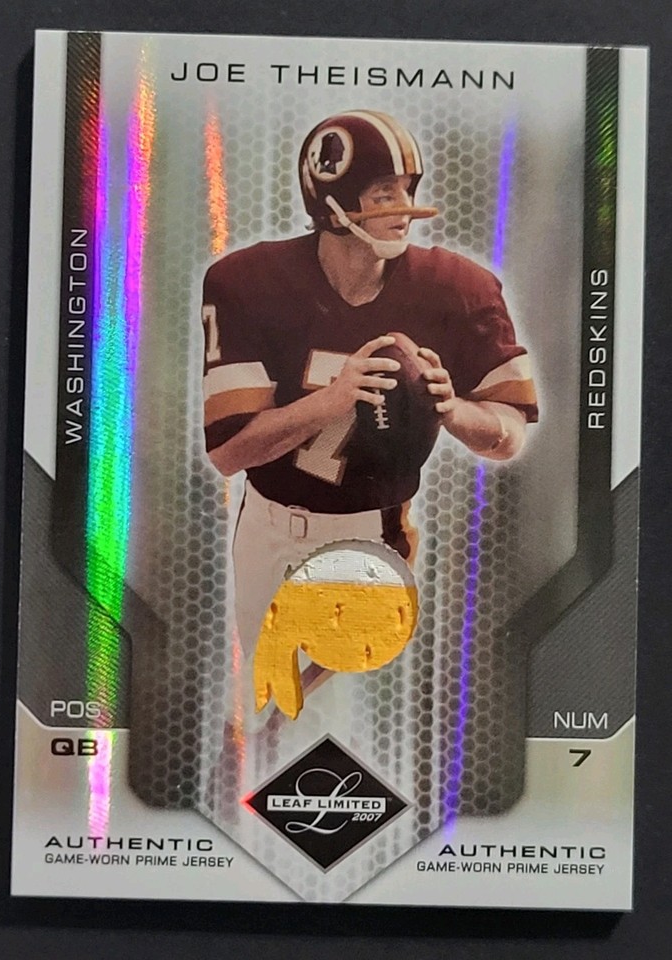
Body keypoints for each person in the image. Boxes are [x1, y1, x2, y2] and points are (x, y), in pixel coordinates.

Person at [201, 109, 538, 688]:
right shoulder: (248, 282)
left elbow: (510, 436)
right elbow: (230, 453)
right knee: (263, 704)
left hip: (369, 536)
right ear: (332, 201)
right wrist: (332, 401)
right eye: (384, 193)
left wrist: (453, 409)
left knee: (320, 704)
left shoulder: (456, 288)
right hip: (263, 525)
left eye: (408, 190)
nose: (404, 208)